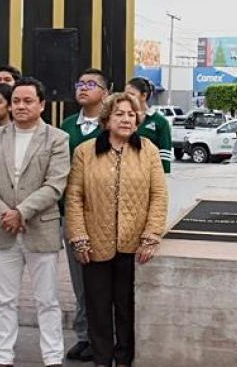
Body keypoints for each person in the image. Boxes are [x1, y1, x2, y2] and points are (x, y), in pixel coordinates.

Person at [65, 93, 168, 367]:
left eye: (131, 114)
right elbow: (74, 197)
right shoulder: (85, 152)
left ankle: (124, 360)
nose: (126, 119)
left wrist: (151, 236)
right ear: (106, 120)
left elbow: (158, 195)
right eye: (119, 114)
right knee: (98, 308)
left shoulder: (148, 150)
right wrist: (79, 238)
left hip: (133, 245)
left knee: (126, 308)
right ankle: (102, 360)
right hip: (94, 244)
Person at [0, 77, 71, 367]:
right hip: (1, 228)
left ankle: (52, 358)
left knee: (48, 300)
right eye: (16, 101)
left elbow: (55, 185)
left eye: (28, 101)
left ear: (41, 104)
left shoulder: (56, 138)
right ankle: (4, 357)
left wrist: (21, 212)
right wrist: (4, 213)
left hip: (40, 229)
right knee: (4, 300)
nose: (21, 106)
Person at [60, 68, 110, 362]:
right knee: (79, 279)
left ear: (105, 92)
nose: (84, 88)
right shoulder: (66, 126)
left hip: (105, 216)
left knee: (103, 279)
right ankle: (84, 335)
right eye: (80, 83)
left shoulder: (114, 125)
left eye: (92, 84)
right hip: (73, 213)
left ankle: (104, 337)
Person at [123, 77, 173, 174]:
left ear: (143, 96)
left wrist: (161, 179)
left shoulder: (160, 122)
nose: (127, 98)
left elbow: (165, 155)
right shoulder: (122, 118)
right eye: (125, 94)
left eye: (131, 94)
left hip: (148, 175)